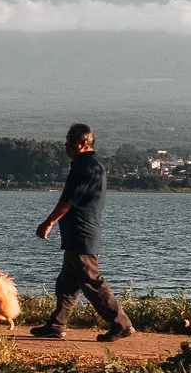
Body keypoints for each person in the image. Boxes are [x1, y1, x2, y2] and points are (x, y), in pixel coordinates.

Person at [32, 123, 132, 341]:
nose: (66, 145)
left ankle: (121, 323)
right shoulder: (86, 164)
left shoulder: (85, 167)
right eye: (66, 141)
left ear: (83, 143)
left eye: (70, 141)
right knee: (67, 283)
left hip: (81, 233)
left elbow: (68, 201)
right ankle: (56, 325)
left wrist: (48, 223)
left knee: (91, 282)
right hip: (77, 234)